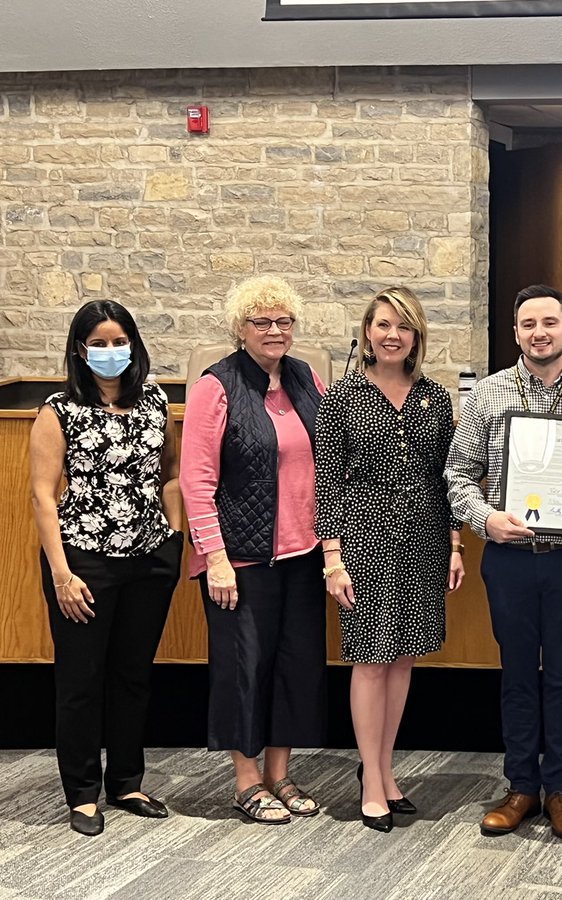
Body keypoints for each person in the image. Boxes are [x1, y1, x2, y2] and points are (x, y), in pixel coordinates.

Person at [445, 284, 562, 841]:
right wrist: (484, 521)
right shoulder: (488, 396)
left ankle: (561, 790)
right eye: (528, 324)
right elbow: (458, 474)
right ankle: (520, 786)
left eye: (550, 322)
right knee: (518, 675)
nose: (539, 333)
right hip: (509, 557)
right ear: (517, 332)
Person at [29, 300, 184, 837]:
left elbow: (169, 473)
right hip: (83, 561)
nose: (111, 352)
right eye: (100, 343)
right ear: (80, 349)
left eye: (120, 342)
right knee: (81, 679)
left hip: (149, 558)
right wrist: (61, 573)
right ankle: (82, 792)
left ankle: (126, 781)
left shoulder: (155, 402)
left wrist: (175, 535)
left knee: (132, 675)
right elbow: (43, 498)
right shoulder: (58, 409)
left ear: (134, 346)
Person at [315, 287, 465, 833]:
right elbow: (327, 482)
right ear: (367, 334)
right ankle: (371, 784)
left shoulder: (436, 398)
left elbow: (449, 477)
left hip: (424, 538)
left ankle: (383, 769)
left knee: (403, 660)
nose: (392, 334)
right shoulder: (341, 399)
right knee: (370, 658)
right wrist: (333, 559)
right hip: (364, 541)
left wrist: (454, 543)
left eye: (403, 326)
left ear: (416, 335)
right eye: (382, 325)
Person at [179, 276, 327, 826]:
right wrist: (214, 556)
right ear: (240, 328)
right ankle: (246, 781)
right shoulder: (215, 386)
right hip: (240, 558)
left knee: (294, 666)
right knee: (247, 668)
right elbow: (195, 480)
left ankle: (279, 774)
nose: (273, 331)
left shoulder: (305, 377)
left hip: (302, 551)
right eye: (261, 322)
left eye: (283, 321)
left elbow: (326, 457)